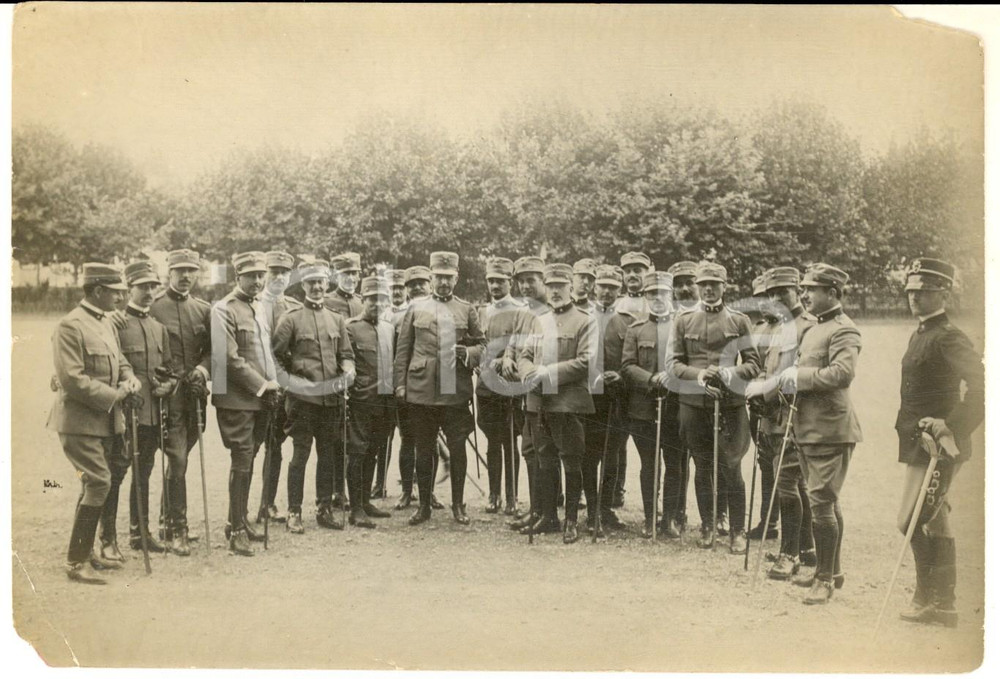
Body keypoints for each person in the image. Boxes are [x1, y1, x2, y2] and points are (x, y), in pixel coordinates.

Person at [894, 258, 983, 626]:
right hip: (919, 443)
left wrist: (951, 425)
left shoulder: (948, 335)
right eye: (912, 291)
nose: (915, 297)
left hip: (941, 445)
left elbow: (983, 386)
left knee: (912, 519)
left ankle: (930, 597)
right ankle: (941, 604)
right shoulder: (921, 332)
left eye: (925, 291)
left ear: (943, 293)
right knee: (931, 518)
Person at [48, 263, 140, 583]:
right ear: (98, 291)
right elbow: (72, 379)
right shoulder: (70, 326)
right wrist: (116, 394)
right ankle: (76, 561)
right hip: (79, 421)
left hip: (103, 421)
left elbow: (121, 361)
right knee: (100, 481)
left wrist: (131, 379)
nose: (121, 298)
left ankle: (85, 552)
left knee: (95, 482)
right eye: (116, 293)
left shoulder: (105, 323)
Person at [777, 263, 862, 605]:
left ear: (833, 293)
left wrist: (799, 377)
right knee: (825, 501)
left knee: (822, 504)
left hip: (829, 430)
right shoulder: (815, 328)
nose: (805, 295)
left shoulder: (844, 330)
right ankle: (832, 570)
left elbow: (842, 374)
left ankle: (824, 578)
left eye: (813, 289)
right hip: (810, 428)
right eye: (805, 289)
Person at [668, 262, 760, 554]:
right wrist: (698, 375)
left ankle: (737, 531)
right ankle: (707, 525)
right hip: (693, 404)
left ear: (724, 286)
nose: (708, 289)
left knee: (732, 467)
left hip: (730, 404)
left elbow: (754, 363)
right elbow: (673, 364)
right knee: (702, 465)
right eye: (703, 284)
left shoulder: (739, 320)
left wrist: (730, 374)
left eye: (714, 284)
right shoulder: (682, 321)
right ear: (696, 286)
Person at [393, 251, 486, 526]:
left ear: (456, 278)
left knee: (458, 449)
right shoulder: (415, 308)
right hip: (421, 391)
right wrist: (400, 385)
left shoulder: (466, 309)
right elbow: (403, 351)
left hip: (454, 390)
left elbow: (483, 345)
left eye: (448, 277)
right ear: (431, 277)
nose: (443, 282)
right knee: (424, 449)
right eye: (439, 277)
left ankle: (458, 505)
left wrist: (468, 353)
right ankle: (423, 506)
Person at [271, 259, 356, 533]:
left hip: (330, 400)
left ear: (327, 283)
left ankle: (324, 508)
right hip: (303, 401)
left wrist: (348, 371)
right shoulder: (291, 319)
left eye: (321, 282)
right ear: (304, 285)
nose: (317, 287)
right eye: (311, 282)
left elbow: (346, 355)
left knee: (328, 454)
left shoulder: (336, 319)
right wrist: (291, 384)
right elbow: (275, 359)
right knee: (300, 455)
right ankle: (293, 512)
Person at [516, 263, 597, 543]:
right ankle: (549, 516)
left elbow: (586, 361)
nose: (555, 292)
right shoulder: (539, 320)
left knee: (572, 461)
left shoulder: (585, 320)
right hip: (539, 401)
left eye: (561, 287)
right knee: (544, 460)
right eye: (550, 287)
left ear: (572, 288)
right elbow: (524, 354)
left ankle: (571, 520)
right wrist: (528, 372)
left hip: (568, 403)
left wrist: (548, 372)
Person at [102, 261, 178, 560]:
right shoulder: (114, 323)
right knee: (115, 474)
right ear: (128, 288)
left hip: (150, 415)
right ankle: (107, 538)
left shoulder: (159, 328)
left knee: (144, 473)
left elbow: (170, 369)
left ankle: (140, 531)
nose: (148, 292)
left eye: (152, 286)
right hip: (122, 415)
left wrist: (168, 385)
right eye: (142, 286)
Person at [745, 267, 817, 579]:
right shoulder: (777, 327)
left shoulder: (808, 327)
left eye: (783, 292)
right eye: (772, 294)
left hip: (795, 416)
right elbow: (769, 368)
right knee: (789, 482)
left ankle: (790, 554)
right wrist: (758, 390)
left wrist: (767, 393)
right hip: (772, 414)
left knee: (788, 482)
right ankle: (806, 546)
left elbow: (798, 374)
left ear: (798, 290)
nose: (776, 299)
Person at [211, 251, 284, 556]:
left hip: (262, 399)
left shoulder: (262, 308)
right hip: (237, 399)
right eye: (251, 275)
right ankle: (236, 530)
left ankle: (236, 519)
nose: (257, 281)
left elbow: (266, 353)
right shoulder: (223, 309)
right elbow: (228, 359)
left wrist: (274, 382)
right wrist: (262, 385)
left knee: (250, 458)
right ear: (237, 276)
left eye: (260, 275)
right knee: (242, 460)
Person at [149, 248, 212, 552]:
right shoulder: (154, 308)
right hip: (168, 399)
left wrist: (202, 369)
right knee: (178, 460)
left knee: (180, 460)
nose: (186, 276)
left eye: (191, 270)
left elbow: (214, 351)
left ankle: (164, 520)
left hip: (196, 399)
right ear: (169, 273)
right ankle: (178, 530)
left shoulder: (203, 309)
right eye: (180, 271)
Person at [621, 271, 684, 538]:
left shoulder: (682, 325)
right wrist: (651, 379)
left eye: (662, 293)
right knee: (649, 465)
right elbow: (626, 366)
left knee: (675, 463)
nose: (657, 298)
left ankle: (669, 518)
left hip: (676, 406)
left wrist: (672, 377)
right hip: (643, 408)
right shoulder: (636, 329)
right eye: (651, 294)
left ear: (671, 295)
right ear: (645, 296)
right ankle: (649, 518)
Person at [253, 250, 302, 524]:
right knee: (252, 448)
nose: (279, 278)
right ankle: (242, 510)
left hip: (285, 388)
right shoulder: (254, 304)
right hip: (259, 385)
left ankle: (267, 503)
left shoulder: (294, 306)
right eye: (274, 272)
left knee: (276, 445)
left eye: (285, 273)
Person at [475, 257, 526, 515]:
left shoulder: (520, 310)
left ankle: (512, 497)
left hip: (510, 381)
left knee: (509, 440)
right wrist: (478, 361)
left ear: (510, 282)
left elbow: (521, 344)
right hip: (486, 384)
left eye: (500, 280)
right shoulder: (482, 311)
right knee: (493, 439)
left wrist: (503, 359)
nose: (495, 285)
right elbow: (478, 342)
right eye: (491, 280)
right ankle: (494, 494)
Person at [344, 275, 396, 528]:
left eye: (381, 298)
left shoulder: (389, 328)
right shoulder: (350, 327)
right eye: (372, 298)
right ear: (363, 299)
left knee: (374, 451)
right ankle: (355, 508)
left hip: (385, 402)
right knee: (357, 451)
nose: (377, 303)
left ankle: (365, 501)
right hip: (361, 401)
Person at [583, 264, 631, 531]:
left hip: (617, 397)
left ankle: (605, 507)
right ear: (594, 287)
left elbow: (632, 358)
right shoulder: (582, 317)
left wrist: (622, 375)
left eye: (613, 288)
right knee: (590, 455)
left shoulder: (627, 322)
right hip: (589, 397)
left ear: (619, 290)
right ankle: (591, 510)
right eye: (602, 286)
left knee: (612, 454)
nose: (607, 292)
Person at [507, 255, 551, 531]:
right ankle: (536, 508)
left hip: (547, 392)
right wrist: (507, 359)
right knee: (530, 450)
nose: (525, 286)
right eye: (521, 282)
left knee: (545, 453)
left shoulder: (550, 312)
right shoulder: (524, 312)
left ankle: (548, 512)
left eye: (531, 281)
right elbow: (514, 344)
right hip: (526, 392)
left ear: (543, 281)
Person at [667, 260, 699, 532]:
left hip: (702, 396)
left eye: (690, 282)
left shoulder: (716, 314)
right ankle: (675, 512)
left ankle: (717, 516)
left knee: (708, 459)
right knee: (675, 459)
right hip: (670, 399)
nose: (685, 289)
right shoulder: (667, 317)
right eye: (679, 284)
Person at [325, 252, 365, 320]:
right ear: (336, 277)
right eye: (345, 273)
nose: (350, 278)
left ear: (359, 276)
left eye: (354, 273)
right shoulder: (326, 302)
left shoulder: (363, 302)